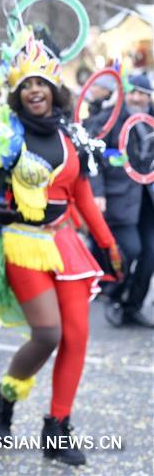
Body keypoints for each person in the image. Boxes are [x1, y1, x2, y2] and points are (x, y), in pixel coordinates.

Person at [0, 29, 120, 466]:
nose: (35, 90)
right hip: (22, 242)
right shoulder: (7, 138)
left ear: (54, 87)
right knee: (48, 333)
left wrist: (108, 245)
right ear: (18, 93)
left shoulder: (72, 137)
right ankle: (5, 397)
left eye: (41, 82)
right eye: (26, 84)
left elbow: (84, 198)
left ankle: (57, 427)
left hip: (65, 243)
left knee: (76, 337)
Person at [88, 71, 154, 328]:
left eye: (143, 94)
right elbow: (94, 158)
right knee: (131, 249)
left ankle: (132, 306)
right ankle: (114, 294)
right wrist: (98, 192)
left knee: (150, 255)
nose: (137, 98)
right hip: (121, 199)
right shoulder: (110, 120)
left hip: (148, 200)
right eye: (133, 93)